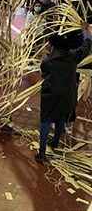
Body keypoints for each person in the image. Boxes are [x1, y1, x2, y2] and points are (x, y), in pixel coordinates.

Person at [35, 21, 92, 163]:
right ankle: (55, 143)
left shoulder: (47, 62)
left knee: (46, 119)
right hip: (68, 94)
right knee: (61, 117)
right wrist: (86, 31)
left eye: (48, 44)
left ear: (53, 47)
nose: (47, 46)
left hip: (50, 95)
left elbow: (44, 74)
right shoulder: (73, 56)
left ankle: (42, 152)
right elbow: (86, 46)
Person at [25, 0, 46, 65]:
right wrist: (29, 36)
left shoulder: (43, 15)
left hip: (40, 35)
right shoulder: (30, 15)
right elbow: (28, 26)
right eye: (36, 6)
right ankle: (30, 62)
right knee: (31, 50)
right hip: (32, 35)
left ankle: (37, 62)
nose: (37, 7)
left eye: (39, 6)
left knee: (39, 50)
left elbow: (44, 25)